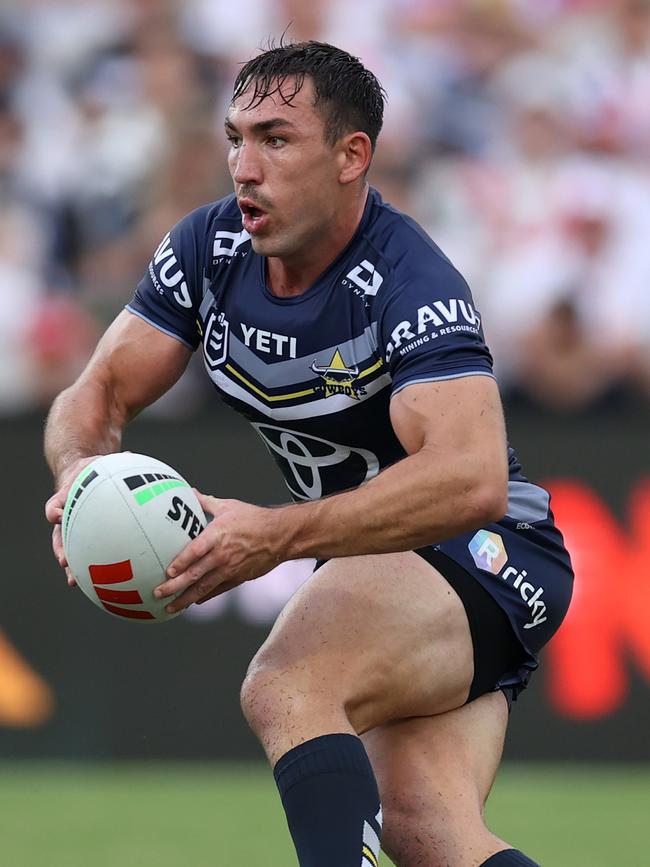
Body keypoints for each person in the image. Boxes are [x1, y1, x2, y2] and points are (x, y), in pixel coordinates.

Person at [44, 41, 573, 867]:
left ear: (350, 156)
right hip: (393, 567)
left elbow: (471, 478)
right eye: (235, 137)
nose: (243, 167)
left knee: (289, 682)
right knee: (429, 834)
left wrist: (278, 535)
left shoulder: (410, 280)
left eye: (276, 139)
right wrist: (76, 475)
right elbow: (97, 391)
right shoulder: (209, 251)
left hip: (485, 552)